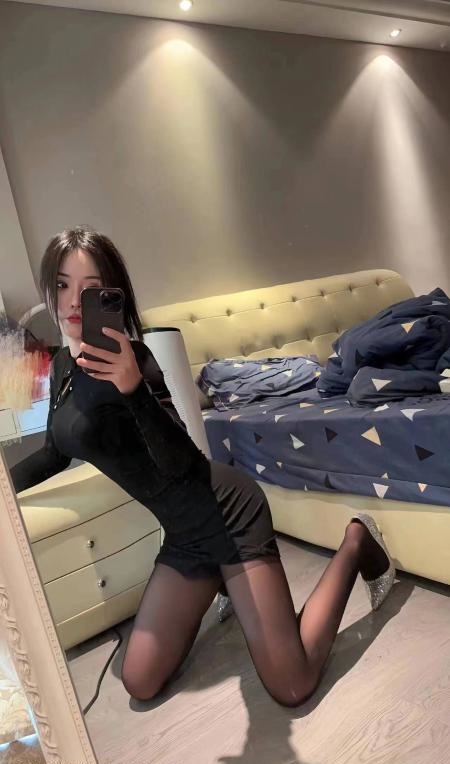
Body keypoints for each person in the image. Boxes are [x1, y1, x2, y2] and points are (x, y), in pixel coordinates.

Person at [11, 226, 395, 707]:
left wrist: (133, 390)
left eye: (90, 289)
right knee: (139, 682)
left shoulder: (135, 362)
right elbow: (54, 452)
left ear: (111, 295)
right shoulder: (63, 369)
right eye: (62, 284)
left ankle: (357, 542)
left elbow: (183, 462)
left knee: (292, 685)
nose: (73, 301)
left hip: (227, 513)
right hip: (185, 535)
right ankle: (221, 581)